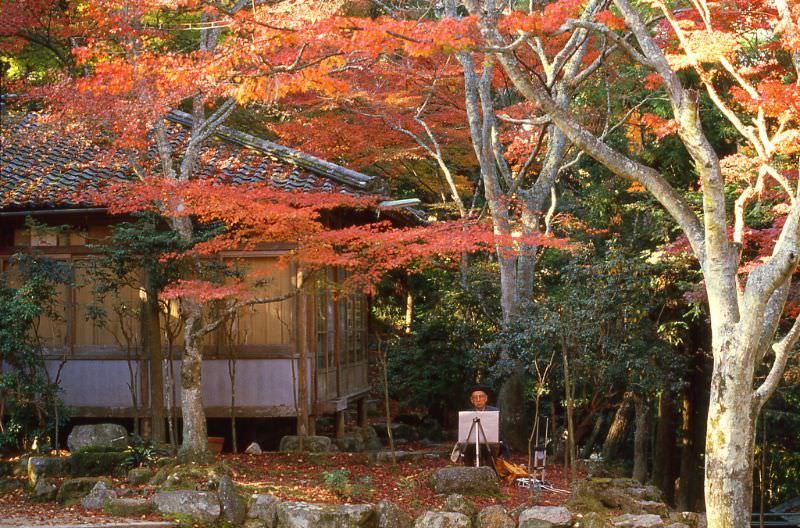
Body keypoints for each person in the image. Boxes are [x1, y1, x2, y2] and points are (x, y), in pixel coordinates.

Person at [457, 384, 507, 466]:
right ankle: (470, 469)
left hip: (489, 442)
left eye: (481, 397)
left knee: (494, 445)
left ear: (486, 398)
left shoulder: (494, 412)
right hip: (472, 443)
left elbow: (500, 431)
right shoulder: (467, 414)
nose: (478, 400)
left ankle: (490, 470)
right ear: (471, 400)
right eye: (475, 398)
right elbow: (463, 432)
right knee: (464, 446)